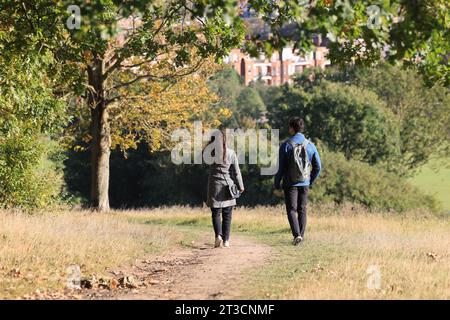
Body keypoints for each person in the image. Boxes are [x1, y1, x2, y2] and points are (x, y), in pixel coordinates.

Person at [274, 117, 321, 246]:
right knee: (302, 209)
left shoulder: (286, 145)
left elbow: (280, 168)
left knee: (291, 210)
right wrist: (310, 180)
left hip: (290, 184)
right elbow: (318, 166)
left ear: (292, 128)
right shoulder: (310, 145)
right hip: (305, 183)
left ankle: (297, 235)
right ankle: (301, 235)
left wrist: (276, 184)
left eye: (289, 127)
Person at [204, 131, 244, 248]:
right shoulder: (231, 153)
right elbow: (237, 172)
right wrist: (240, 185)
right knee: (227, 214)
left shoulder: (209, 153)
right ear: (224, 140)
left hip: (214, 186)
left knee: (215, 213)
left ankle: (218, 236)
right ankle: (226, 240)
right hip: (228, 186)